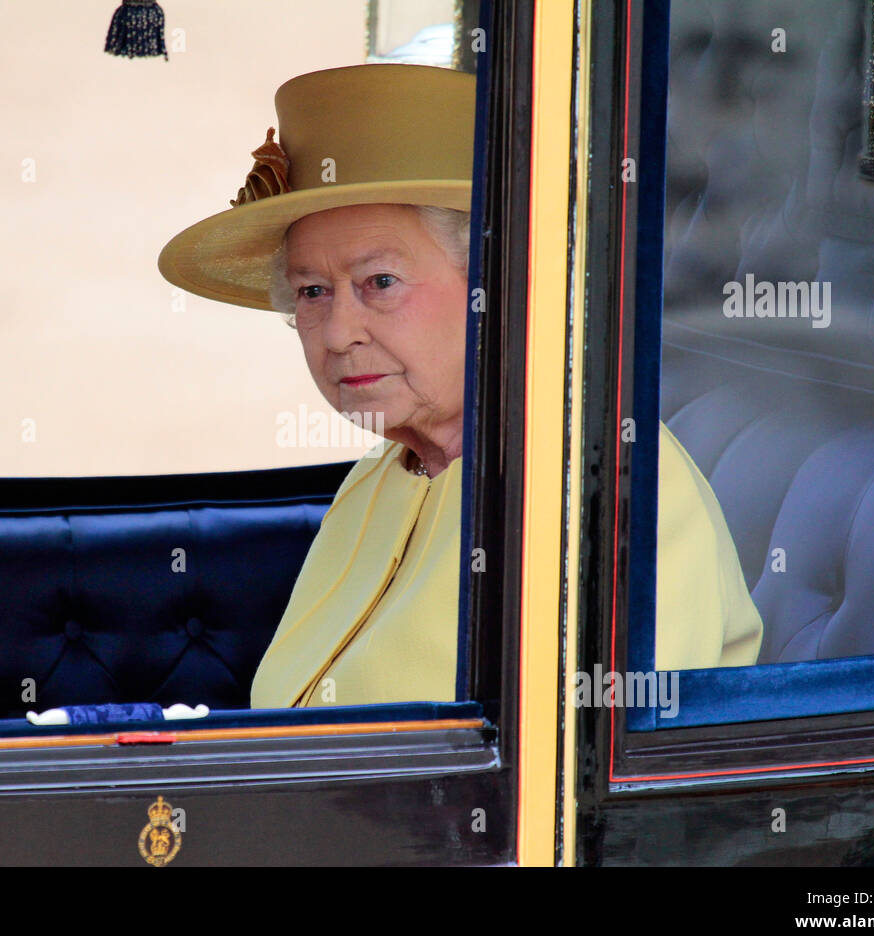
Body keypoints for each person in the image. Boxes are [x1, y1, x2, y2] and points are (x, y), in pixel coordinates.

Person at [157, 64, 761, 709]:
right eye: (312, 292)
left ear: (493, 287)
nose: (336, 334)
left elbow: (587, 790)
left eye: (379, 282)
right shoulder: (384, 472)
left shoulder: (602, 484)